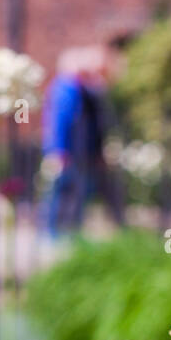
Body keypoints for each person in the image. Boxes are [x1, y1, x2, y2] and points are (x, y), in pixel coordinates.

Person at [41, 46, 108, 237]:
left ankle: (68, 233)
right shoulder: (66, 88)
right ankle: (53, 235)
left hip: (79, 152)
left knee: (77, 194)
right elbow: (58, 122)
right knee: (61, 193)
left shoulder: (80, 89)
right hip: (68, 153)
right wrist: (57, 151)